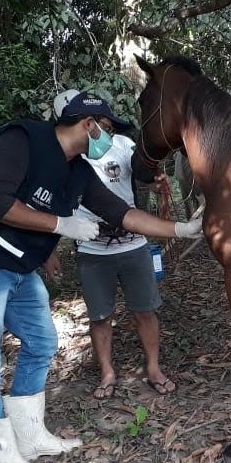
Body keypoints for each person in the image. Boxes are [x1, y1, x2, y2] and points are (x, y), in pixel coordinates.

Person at [0, 93, 202, 463]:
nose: (108, 140)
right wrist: (61, 225)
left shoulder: (77, 170)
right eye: (107, 129)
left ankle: (31, 436)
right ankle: (5, 457)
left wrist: (180, 228)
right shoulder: (22, 139)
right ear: (88, 123)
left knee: (42, 343)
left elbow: (120, 212)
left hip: (19, 265)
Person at [54, 90, 173, 400]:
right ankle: (107, 371)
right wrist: (51, 250)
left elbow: (145, 171)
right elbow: (53, 204)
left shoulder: (122, 145)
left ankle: (154, 368)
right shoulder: (67, 155)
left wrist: (159, 184)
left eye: (107, 127)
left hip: (132, 244)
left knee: (145, 310)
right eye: (99, 126)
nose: (104, 133)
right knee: (100, 316)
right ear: (84, 123)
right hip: (93, 250)